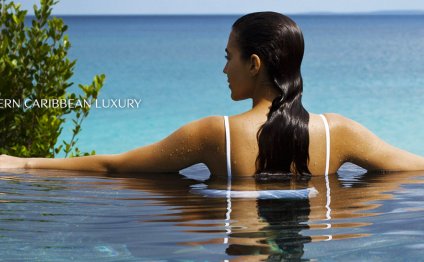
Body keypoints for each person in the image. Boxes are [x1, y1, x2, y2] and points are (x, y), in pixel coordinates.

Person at [1, 12, 424, 177]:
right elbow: (411, 168)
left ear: (254, 63)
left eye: (229, 58)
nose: (224, 69)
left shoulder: (214, 135)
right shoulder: (338, 134)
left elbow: (115, 166)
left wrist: (23, 163)